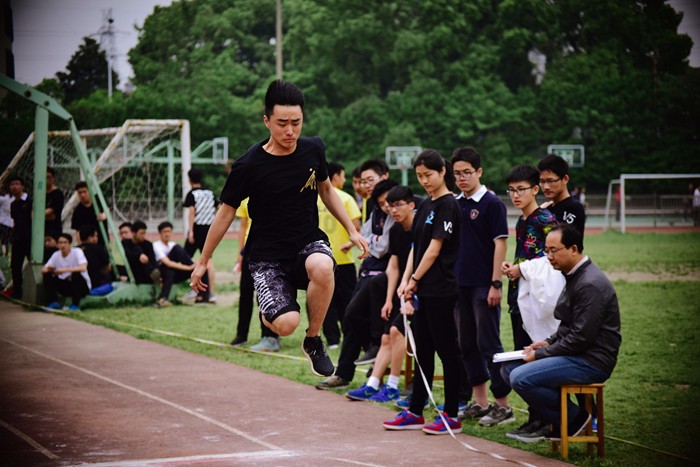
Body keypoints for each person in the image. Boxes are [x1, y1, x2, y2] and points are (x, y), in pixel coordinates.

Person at [190, 79, 368, 377]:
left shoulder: (313, 149)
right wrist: (203, 260)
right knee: (286, 325)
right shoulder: (248, 165)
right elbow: (225, 213)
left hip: (306, 241)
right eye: (282, 123)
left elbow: (326, 190)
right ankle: (272, 309)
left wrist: (351, 229)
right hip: (267, 255)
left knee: (324, 266)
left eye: (296, 123)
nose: (290, 131)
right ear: (266, 121)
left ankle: (313, 340)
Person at [502, 225, 621, 442]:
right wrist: (546, 343)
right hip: (576, 354)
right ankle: (562, 420)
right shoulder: (573, 275)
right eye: (546, 251)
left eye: (554, 250)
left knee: (520, 377)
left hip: (591, 360)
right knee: (509, 368)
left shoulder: (589, 283)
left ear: (574, 249)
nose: (548, 257)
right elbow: (567, 327)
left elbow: (581, 338)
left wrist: (540, 355)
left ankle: (575, 420)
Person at [383, 149, 462, 435]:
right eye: (420, 176)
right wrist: (406, 281)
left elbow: (435, 247)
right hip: (422, 288)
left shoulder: (449, 205)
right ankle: (416, 411)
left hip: (441, 288)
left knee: (447, 350)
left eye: (428, 175)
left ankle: (452, 414)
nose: (424, 181)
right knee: (423, 351)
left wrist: (414, 279)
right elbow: (417, 246)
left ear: (443, 172)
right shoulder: (425, 205)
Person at [451, 147, 514, 427]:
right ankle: (480, 401)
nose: (462, 178)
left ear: (479, 172)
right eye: (457, 174)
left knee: (488, 343)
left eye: (467, 172)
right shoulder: (454, 203)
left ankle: (503, 405)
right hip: (458, 285)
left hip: (483, 285)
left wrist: (495, 283)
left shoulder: (491, 204)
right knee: (466, 344)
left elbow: (500, 243)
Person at [315, 180, 399, 390]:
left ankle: (374, 365)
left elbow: (381, 247)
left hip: (384, 278)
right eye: (362, 181)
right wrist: (365, 242)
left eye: (371, 180)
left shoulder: (398, 213)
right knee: (351, 317)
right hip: (367, 273)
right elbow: (365, 237)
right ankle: (344, 372)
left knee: (371, 320)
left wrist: (367, 242)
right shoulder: (374, 208)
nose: (386, 206)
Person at [342, 185, 417, 403]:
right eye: (389, 206)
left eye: (397, 205)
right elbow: (393, 267)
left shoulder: (420, 228)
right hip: (400, 288)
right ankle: (373, 384)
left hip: (417, 290)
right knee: (386, 336)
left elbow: (418, 264)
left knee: (395, 333)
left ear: (412, 205)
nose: (392, 210)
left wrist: (410, 292)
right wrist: (388, 300)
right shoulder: (395, 231)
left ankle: (393, 386)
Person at [501, 164, 559, 352]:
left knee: (537, 352)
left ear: (535, 189)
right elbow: (526, 255)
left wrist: (523, 268)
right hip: (518, 296)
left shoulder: (546, 219)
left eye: (520, 190)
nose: (515, 195)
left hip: (538, 298)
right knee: (521, 351)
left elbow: (554, 255)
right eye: (511, 190)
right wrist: (514, 266)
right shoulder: (521, 221)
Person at [316, 161, 362, 348]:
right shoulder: (345, 198)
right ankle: (350, 336)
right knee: (348, 302)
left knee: (324, 302)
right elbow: (356, 229)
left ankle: (332, 340)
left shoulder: (315, 198)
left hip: (320, 259)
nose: (344, 180)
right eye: (343, 176)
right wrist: (349, 244)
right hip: (343, 260)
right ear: (335, 177)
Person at [229, 197, 282, 351]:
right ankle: (241, 335)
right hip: (249, 251)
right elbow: (243, 226)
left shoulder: (272, 192)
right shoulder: (245, 199)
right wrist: (240, 253)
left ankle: (271, 337)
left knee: (265, 295)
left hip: (268, 249)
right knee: (245, 293)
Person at [183, 167, 219, 303]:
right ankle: (211, 293)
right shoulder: (210, 193)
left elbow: (192, 212)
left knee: (185, 257)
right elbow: (219, 208)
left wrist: (191, 231)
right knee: (208, 261)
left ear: (190, 179)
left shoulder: (192, 194)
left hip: (197, 229)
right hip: (209, 230)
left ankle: (196, 289)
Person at [154, 221, 209, 308]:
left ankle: (202, 296)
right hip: (162, 272)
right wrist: (189, 267)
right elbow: (168, 263)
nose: (167, 234)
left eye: (169, 231)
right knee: (176, 249)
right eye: (165, 232)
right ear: (160, 233)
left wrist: (194, 266)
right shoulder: (156, 245)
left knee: (201, 270)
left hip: (171, 274)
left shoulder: (172, 244)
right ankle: (163, 299)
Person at [537, 155, 586, 239]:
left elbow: (561, 241)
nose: (546, 187)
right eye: (542, 181)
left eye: (550, 181)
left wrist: (539, 216)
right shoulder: (547, 209)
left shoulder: (574, 207)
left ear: (565, 179)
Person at [43, 233, 91, 311]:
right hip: (66, 286)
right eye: (60, 243)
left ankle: (75, 305)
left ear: (70, 244)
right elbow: (43, 269)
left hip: (81, 287)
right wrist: (52, 270)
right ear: (57, 244)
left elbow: (83, 268)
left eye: (65, 242)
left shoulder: (77, 252)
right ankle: (53, 302)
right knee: (47, 275)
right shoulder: (56, 254)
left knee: (76, 275)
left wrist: (64, 270)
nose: (63, 245)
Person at [8, 176, 32, 299]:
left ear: (22, 186)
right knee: (15, 266)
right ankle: (17, 292)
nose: (14, 187)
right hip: (17, 239)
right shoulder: (13, 204)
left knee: (33, 263)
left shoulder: (30, 201)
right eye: (12, 184)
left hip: (30, 238)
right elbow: (15, 222)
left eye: (17, 184)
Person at [122, 220, 160, 285]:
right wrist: (139, 256)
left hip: (147, 271)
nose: (143, 235)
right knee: (137, 249)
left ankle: (155, 276)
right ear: (133, 233)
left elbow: (152, 260)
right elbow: (128, 254)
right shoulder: (126, 243)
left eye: (144, 233)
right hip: (134, 270)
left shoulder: (148, 244)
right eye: (141, 233)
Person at [71, 181, 107, 245]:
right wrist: (81, 245)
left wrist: (104, 214)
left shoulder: (99, 200)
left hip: (102, 240)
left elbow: (107, 209)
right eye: (80, 193)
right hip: (88, 243)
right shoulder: (78, 210)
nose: (82, 195)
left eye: (84, 192)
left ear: (90, 191)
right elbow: (78, 231)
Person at [78, 225, 111, 289]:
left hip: (79, 283)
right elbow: (106, 267)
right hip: (96, 283)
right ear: (90, 237)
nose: (96, 238)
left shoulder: (75, 250)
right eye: (96, 236)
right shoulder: (99, 248)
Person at [45, 167, 65, 239]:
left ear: (54, 179)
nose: (46, 179)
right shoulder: (39, 193)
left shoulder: (58, 194)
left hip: (54, 229)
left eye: (48, 177)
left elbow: (50, 213)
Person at [0, 183, 14, 258]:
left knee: (3, 240)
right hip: (11, 223)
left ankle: (4, 254)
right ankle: (7, 254)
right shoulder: (13, 198)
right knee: (7, 240)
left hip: (2, 222)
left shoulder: (3, 199)